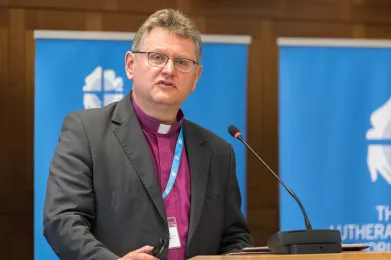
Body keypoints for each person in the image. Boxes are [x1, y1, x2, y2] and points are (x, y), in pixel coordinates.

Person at [43, 8, 252, 260]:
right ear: (131, 65)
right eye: (157, 57)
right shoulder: (86, 132)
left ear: (196, 77)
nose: (169, 70)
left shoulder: (218, 151)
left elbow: (235, 237)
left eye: (182, 62)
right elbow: (62, 220)